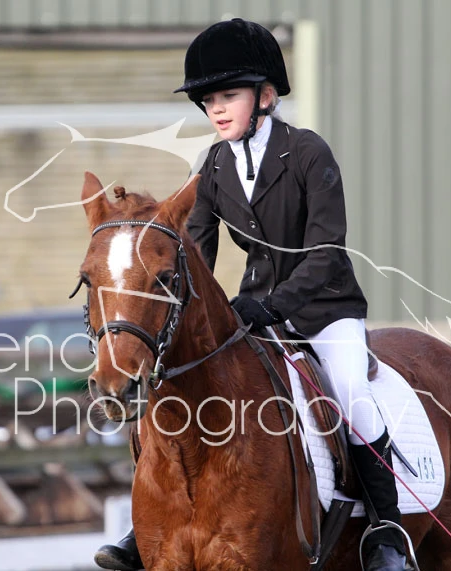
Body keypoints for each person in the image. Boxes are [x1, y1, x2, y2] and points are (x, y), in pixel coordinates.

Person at [94, 18, 408, 571]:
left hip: (324, 311)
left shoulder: (308, 153)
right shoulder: (214, 165)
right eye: (209, 101)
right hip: (253, 315)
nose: (216, 109)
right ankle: (151, 523)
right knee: (173, 390)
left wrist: (274, 305)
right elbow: (193, 252)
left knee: (353, 396)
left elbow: (327, 252)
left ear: (264, 96)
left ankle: (386, 531)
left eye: (228, 97)